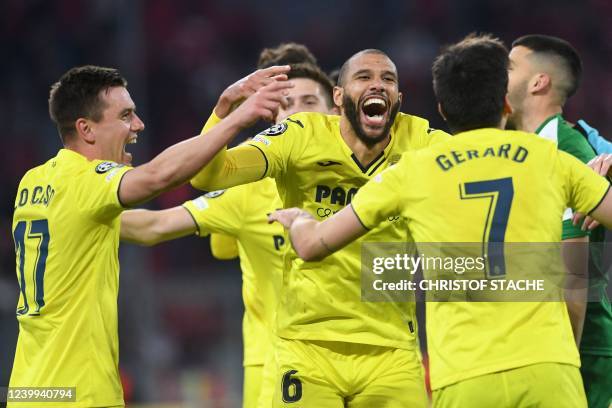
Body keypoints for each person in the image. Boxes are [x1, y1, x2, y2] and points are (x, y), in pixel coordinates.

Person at [269, 34, 612, 407]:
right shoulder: (549, 157)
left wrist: (300, 219)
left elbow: (312, 246)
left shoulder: (413, 170)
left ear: (443, 110)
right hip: (547, 369)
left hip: (463, 377)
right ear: (505, 104)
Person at [9, 64, 291, 408]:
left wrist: (221, 112)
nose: (139, 125)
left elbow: (143, 226)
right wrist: (234, 119)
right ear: (85, 128)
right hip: (80, 391)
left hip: (31, 387)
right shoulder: (249, 194)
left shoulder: (34, 181)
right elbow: (161, 180)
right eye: (127, 115)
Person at [190, 48, 450, 407]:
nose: (378, 84)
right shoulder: (301, 135)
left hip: (392, 349)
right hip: (308, 346)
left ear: (399, 101)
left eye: (388, 79)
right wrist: (225, 110)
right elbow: (209, 175)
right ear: (339, 97)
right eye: (364, 77)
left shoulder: (422, 141)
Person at [121, 58, 335, 408]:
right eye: (286, 106)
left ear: (336, 114)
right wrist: (75, 215)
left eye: (309, 103)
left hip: (363, 359)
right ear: (274, 121)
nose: (298, 115)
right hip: (276, 365)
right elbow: (156, 225)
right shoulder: (248, 191)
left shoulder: (368, 183)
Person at [507, 34, 612, 408]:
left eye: (509, 67)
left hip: (583, 351)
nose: (497, 77)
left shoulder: (567, 149)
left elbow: (575, 279)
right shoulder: (524, 147)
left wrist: (560, 362)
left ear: (538, 82)